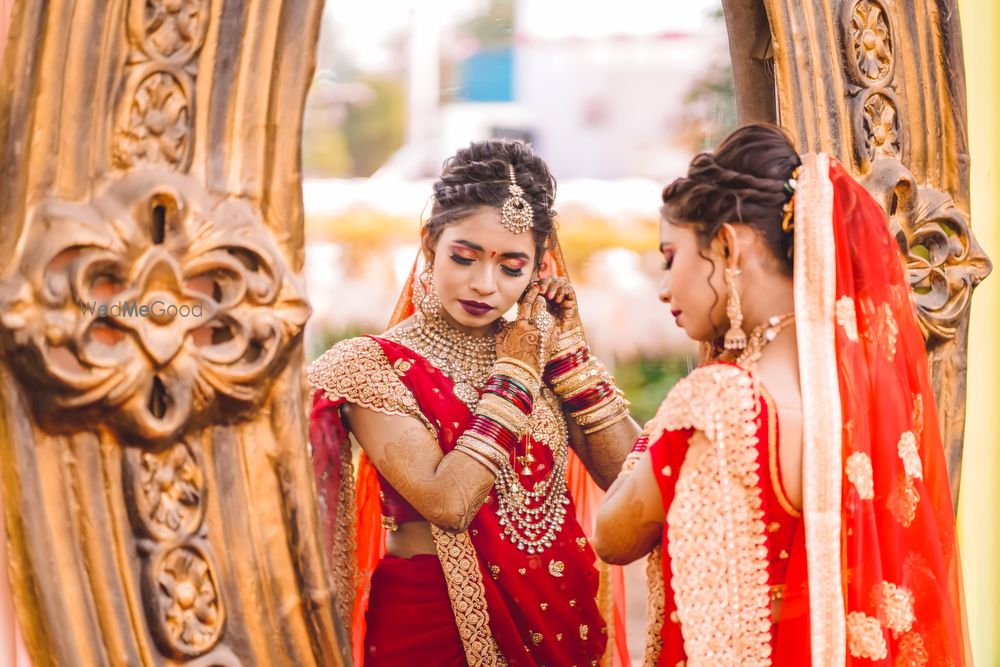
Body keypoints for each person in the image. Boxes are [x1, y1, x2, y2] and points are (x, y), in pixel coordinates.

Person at [593, 124, 969, 665]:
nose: (664, 286)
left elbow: (613, 536)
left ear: (726, 245)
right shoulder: (862, 405)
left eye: (670, 256)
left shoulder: (722, 404)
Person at [308, 139, 638, 666]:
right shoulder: (372, 366)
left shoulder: (538, 352)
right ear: (430, 242)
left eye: (512, 268)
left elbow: (633, 484)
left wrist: (570, 358)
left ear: (539, 268)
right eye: (464, 257)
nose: (484, 285)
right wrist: (517, 376)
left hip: (559, 623)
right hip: (431, 632)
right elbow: (449, 502)